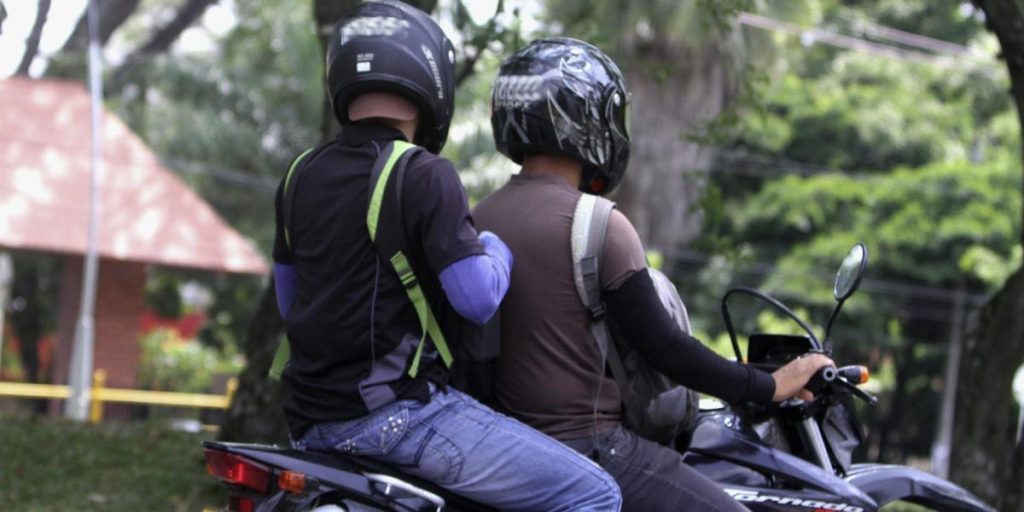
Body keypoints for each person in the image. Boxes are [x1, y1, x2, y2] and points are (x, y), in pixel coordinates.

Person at [271, 4, 621, 511]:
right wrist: (496, 249)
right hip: (398, 419)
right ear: (431, 82)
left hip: (309, 425)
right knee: (592, 493)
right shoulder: (424, 172)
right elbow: (476, 299)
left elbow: (290, 301)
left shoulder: (299, 173)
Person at [474, 37, 834, 511]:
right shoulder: (598, 224)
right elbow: (667, 349)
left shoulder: (476, 220)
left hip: (505, 455)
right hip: (591, 450)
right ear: (588, 119)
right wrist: (770, 385)